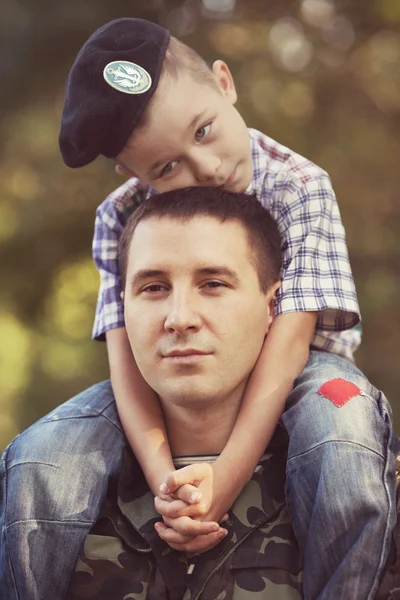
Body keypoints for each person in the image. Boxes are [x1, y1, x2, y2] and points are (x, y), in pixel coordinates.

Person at [58, 17, 398, 598]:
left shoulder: (299, 185)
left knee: (341, 432)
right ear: (132, 174)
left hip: (300, 369)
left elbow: (290, 342)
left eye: (205, 130)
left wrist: (224, 478)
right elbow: (124, 358)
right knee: (41, 457)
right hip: (176, 375)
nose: (208, 167)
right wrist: (168, 481)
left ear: (224, 83)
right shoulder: (120, 217)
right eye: (167, 168)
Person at [0, 189, 398, 600]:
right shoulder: (38, 489)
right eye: (153, 288)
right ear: (123, 308)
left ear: (272, 306)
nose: (180, 319)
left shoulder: (361, 485)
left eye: (212, 283)